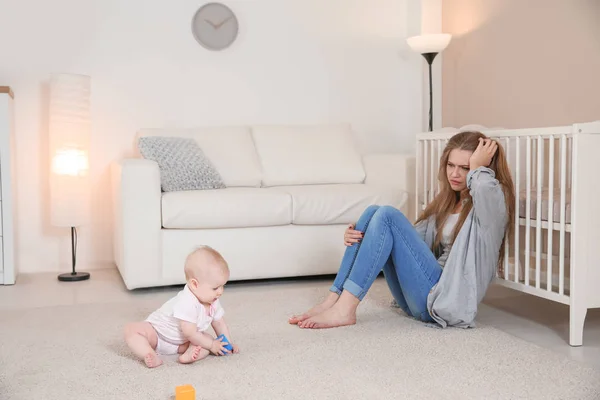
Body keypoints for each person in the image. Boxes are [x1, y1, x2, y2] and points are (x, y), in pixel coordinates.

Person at [288, 131, 515, 329]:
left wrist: (478, 168)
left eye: (465, 168)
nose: (455, 174)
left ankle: (345, 310)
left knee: (387, 214)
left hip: (442, 302)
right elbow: (407, 245)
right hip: (418, 294)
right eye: (451, 165)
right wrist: (364, 236)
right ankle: (333, 299)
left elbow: (484, 188)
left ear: (482, 168)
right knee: (373, 212)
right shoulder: (447, 202)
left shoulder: (492, 204)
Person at [124, 246, 240, 368]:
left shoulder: (213, 301)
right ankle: (148, 353)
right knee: (131, 330)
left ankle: (189, 354)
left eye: (223, 286)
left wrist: (228, 344)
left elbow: (220, 324)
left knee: (206, 340)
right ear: (195, 284)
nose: (220, 291)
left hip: (182, 343)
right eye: (215, 288)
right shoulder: (187, 302)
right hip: (158, 334)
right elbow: (190, 333)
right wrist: (211, 345)